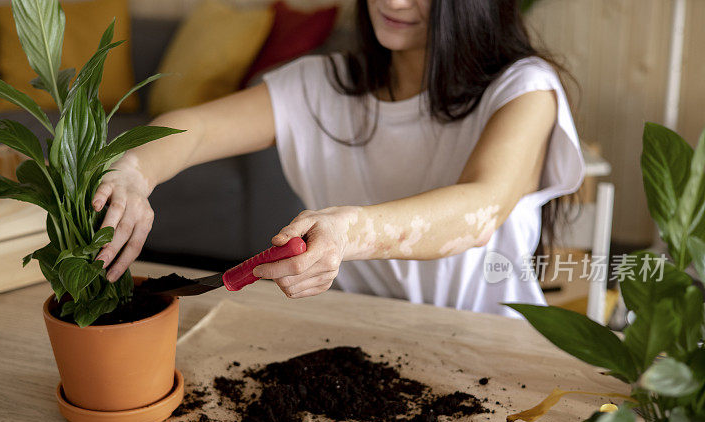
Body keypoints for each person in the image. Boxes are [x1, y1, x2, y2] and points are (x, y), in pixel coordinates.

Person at [92, 0, 584, 317]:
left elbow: (481, 210)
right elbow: (194, 130)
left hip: (489, 341)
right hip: (358, 338)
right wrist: (134, 169)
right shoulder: (319, 85)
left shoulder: (524, 89)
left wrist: (349, 231)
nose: (393, 2)